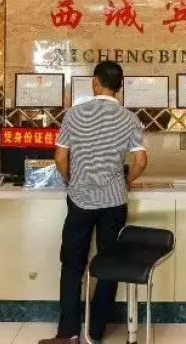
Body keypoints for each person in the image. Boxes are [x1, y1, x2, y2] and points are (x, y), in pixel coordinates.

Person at [39, 61, 148, 344]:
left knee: (72, 264)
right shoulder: (129, 118)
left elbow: (60, 157)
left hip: (81, 200)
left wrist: (71, 180)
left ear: (95, 83)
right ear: (120, 87)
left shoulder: (74, 114)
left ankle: (69, 333)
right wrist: (125, 181)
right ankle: (96, 330)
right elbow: (140, 161)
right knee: (109, 264)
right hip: (114, 202)